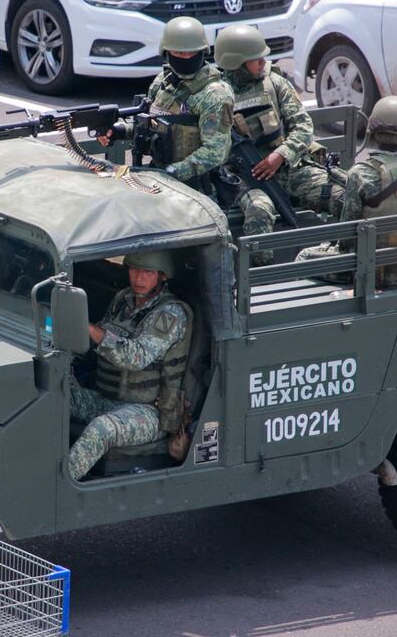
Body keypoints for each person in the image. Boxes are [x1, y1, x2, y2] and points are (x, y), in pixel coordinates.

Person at [214, 24, 345, 264]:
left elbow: (303, 127)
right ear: (236, 63)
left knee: (341, 196)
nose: (263, 63)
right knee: (259, 209)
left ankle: (343, 261)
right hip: (247, 178)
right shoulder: (216, 95)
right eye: (256, 59)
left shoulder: (275, 83)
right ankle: (260, 274)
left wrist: (280, 155)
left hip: (287, 168)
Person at [295, 95, 397, 288]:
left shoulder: (362, 173)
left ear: (374, 132)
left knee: (303, 257)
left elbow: (347, 239)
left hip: (379, 274)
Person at [66, 251, 191, 481]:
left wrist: (91, 330)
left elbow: (137, 357)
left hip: (148, 412)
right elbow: (96, 342)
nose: (138, 278)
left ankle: (59, 488)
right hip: (106, 398)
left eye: (147, 272)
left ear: (162, 276)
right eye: (134, 269)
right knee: (55, 399)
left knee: (101, 429)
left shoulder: (170, 314)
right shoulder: (123, 300)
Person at [101, 17, 234, 189]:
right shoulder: (163, 82)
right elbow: (150, 127)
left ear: (203, 51)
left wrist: (170, 174)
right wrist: (118, 131)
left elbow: (215, 152)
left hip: (195, 187)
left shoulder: (215, 94)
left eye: (192, 52)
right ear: (166, 53)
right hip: (158, 177)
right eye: (179, 53)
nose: (186, 57)